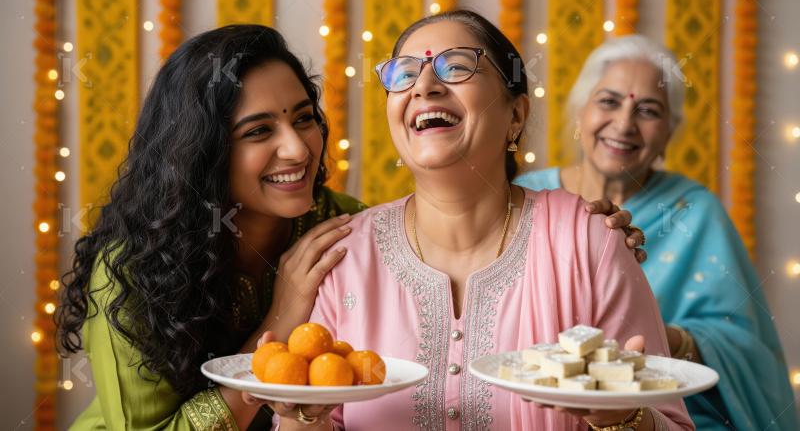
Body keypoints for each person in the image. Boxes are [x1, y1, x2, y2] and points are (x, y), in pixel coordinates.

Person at [55, 24, 638, 430]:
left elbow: (449, 215)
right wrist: (282, 320)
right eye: (259, 131)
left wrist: (583, 233)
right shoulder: (133, 271)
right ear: (201, 152)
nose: (297, 147)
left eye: (304, 119)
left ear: (516, 111)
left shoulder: (339, 226)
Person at [269, 11, 694, 430]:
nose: (425, 87)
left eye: (455, 67)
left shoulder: (587, 242)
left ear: (516, 115)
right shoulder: (345, 256)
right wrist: (302, 416)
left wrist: (625, 416)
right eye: (404, 75)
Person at [515, 34, 798, 430]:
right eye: (609, 101)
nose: (625, 123)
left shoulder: (694, 211)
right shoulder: (530, 196)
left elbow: (748, 347)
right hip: (535, 402)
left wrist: (663, 340)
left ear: (668, 132)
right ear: (581, 112)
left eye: (648, 110)